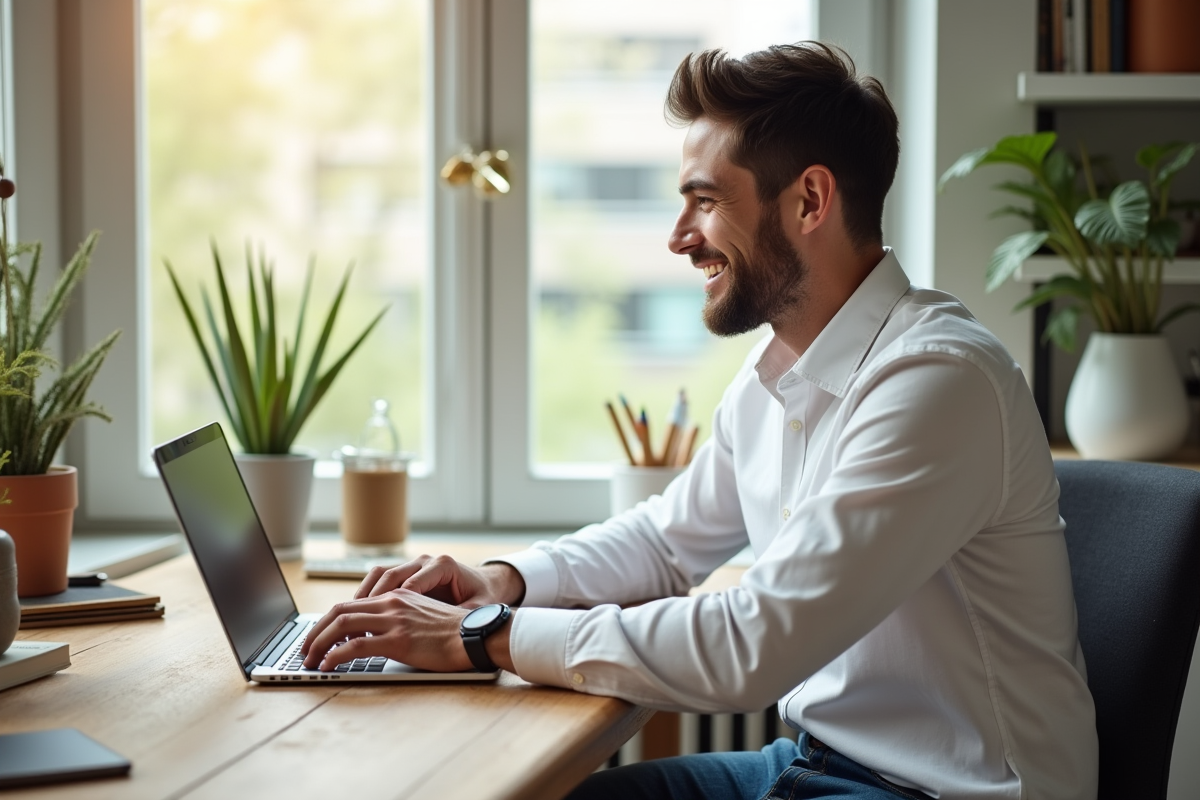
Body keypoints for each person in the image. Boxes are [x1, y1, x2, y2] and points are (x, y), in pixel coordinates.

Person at [302, 42, 1098, 800]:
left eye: (706, 202)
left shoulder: (937, 381)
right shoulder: (774, 379)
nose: (680, 238)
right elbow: (664, 540)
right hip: (812, 765)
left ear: (811, 200)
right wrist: (502, 582)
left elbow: (757, 641)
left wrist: (484, 633)